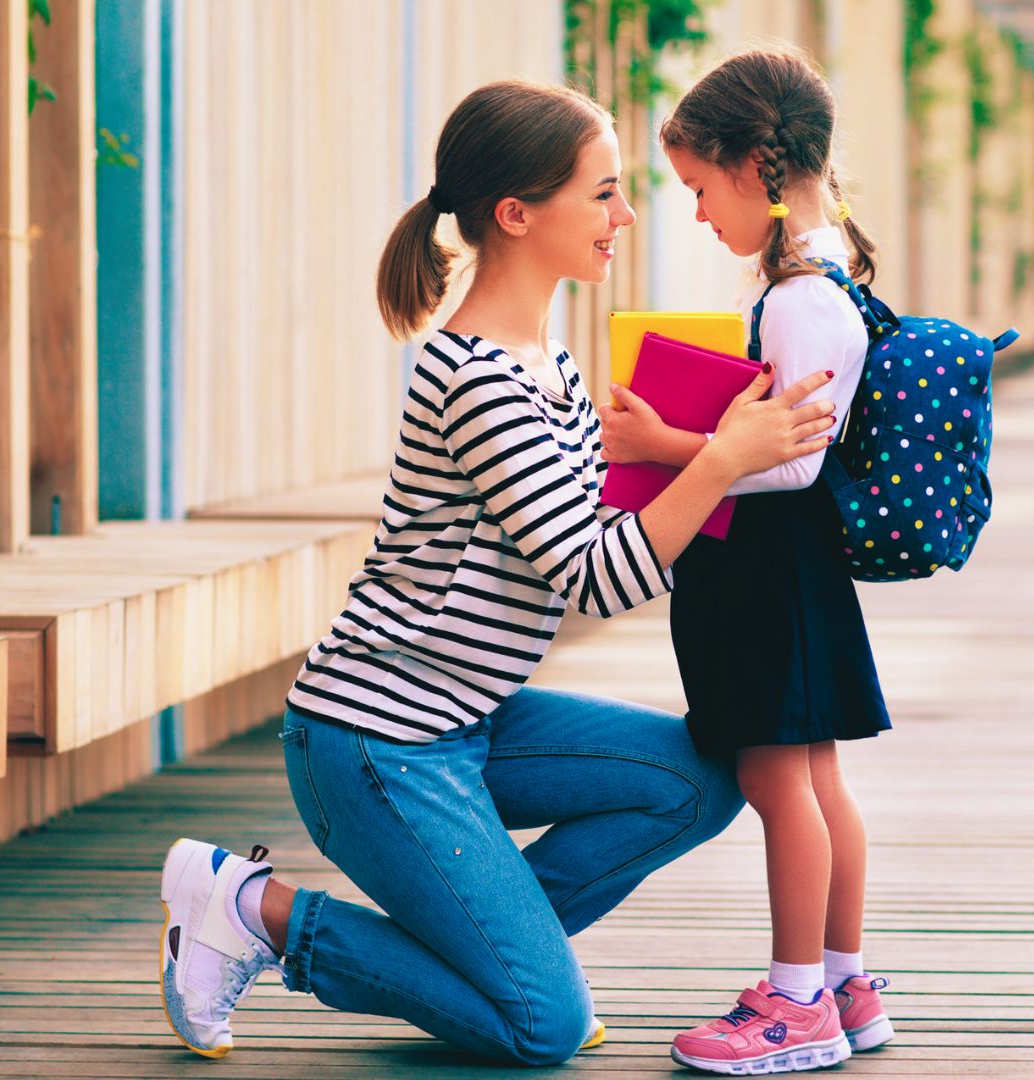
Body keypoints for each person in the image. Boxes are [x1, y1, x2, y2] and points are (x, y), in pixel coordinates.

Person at [155, 78, 839, 1067]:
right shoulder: (478, 379)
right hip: (378, 741)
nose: (626, 215)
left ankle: (493, 961)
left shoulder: (546, 363)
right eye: (602, 193)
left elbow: (600, 526)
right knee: (540, 1028)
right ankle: (253, 910)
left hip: (469, 717)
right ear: (517, 214)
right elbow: (593, 577)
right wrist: (722, 459)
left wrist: (694, 448)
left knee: (701, 779)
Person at [599, 49, 894, 1075]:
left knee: (779, 785)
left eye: (699, 187)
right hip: (792, 573)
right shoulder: (820, 278)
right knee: (815, 781)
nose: (693, 212)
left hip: (766, 575)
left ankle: (798, 1000)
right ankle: (844, 982)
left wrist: (661, 444)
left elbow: (790, 463)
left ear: (753, 166)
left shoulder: (800, 297)